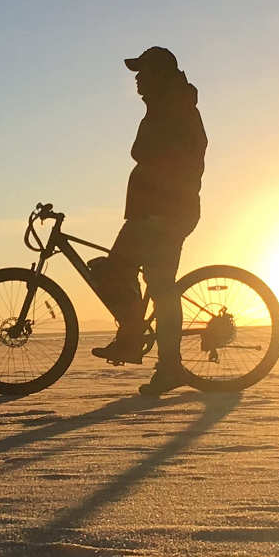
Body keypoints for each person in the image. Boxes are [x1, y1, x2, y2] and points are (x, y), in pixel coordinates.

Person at [90, 46, 206, 396]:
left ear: (160, 75)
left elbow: (176, 159)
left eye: (143, 73)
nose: (138, 80)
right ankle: (132, 337)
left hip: (166, 213)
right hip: (150, 212)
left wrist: (161, 199)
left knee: (159, 287)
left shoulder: (176, 108)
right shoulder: (162, 107)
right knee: (114, 270)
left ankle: (167, 365)